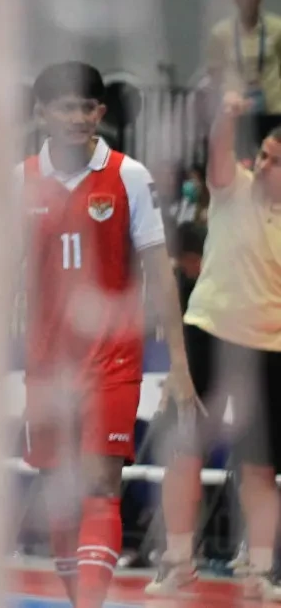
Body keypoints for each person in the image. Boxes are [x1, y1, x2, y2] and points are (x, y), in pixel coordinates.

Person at [15, 62, 195, 608]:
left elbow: (160, 270)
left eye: (86, 107)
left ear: (101, 112)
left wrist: (181, 366)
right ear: (42, 114)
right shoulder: (18, 181)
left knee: (99, 486)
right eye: (64, 106)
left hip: (112, 360)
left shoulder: (128, 177)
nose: (76, 117)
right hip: (48, 365)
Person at [148, 92, 281, 599]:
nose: (263, 164)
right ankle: (178, 561)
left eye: (275, 160)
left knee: (260, 467)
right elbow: (220, 155)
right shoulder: (233, 189)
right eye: (263, 154)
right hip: (207, 335)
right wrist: (225, 117)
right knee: (185, 454)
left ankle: (260, 571)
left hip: (269, 349)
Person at [206, 0, 281, 150]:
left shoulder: (276, 28)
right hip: (236, 110)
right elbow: (215, 74)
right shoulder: (221, 33)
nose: (247, 1)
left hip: (273, 108)